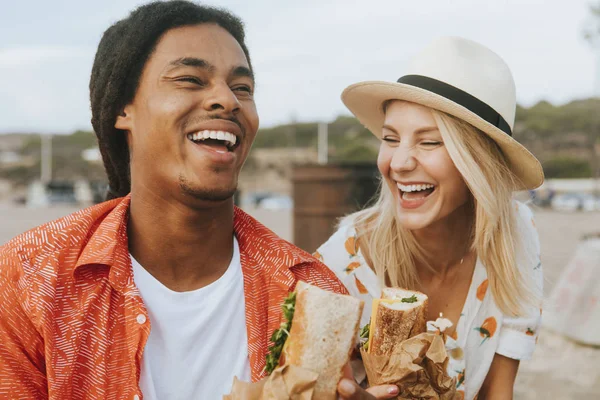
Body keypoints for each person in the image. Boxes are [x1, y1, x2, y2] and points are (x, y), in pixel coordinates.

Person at [0, 2, 388, 399]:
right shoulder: (30, 280)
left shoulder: (309, 292)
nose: (227, 100)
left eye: (243, 88)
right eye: (190, 79)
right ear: (122, 108)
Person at [315, 36, 544, 400]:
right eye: (391, 139)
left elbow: (498, 391)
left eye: (429, 142)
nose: (399, 163)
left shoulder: (516, 232)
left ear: (479, 163)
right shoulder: (340, 266)